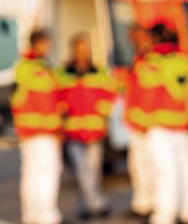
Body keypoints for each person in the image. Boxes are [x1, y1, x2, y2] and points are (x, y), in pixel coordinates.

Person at [136, 23, 188, 224]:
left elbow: (145, 91)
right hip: (180, 124)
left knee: (164, 171)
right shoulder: (184, 61)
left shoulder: (152, 63)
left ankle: (164, 215)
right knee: (185, 169)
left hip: (159, 126)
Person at [57, 34, 116, 220]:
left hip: (94, 130)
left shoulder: (98, 71)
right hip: (73, 130)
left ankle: (85, 206)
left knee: (93, 170)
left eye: (85, 49)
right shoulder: (64, 72)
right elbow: (57, 95)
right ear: (73, 50)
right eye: (79, 49)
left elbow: (109, 94)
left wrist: (103, 110)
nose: (82, 53)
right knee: (82, 170)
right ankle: (98, 203)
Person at [11, 29, 63, 224]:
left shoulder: (21, 66)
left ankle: (31, 215)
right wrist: (57, 127)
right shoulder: (40, 70)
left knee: (30, 173)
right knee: (47, 173)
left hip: (27, 131)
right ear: (39, 44)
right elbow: (47, 101)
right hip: (44, 131)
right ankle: (48, 217)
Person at [124, 23, 154, 219]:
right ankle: (142, 202)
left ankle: (150, 204)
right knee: (136, 165)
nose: (133, 40)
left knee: (147, 165)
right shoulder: (138, 58)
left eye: (137, 36)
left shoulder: (152, 60)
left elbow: (150, 94)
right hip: (136, 122)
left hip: (147, 123)